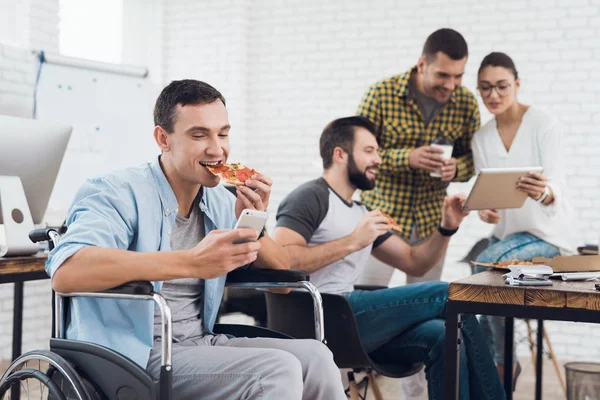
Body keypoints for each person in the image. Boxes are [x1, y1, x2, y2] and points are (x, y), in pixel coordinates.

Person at [46, 79, 346, 400]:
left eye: (223, 133)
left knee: (316, 357)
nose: (217, 149)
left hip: (200, 343)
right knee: (277, 369)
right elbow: (67, 274)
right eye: (199, 135)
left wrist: (253, 222)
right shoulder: (115, 191)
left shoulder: (219, 201)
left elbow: (283, 280)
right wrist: (190, 261)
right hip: (132, 354)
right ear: (164, 138)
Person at [272, 116, 505, 400]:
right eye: (369, 151)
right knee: (451, 295)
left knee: (443, 335)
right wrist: (353, 241)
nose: (379, 159)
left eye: (378, 152)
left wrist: (447, 227)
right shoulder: (311, 196)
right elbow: (281, 262)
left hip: (349, 318)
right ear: (340, 154)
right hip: (321, 317)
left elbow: (414, 261)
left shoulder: (361, 211)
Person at [472, 52, 577, 384]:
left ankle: (500, 364)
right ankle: (496, 365)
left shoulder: (543, 123)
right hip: (509, 240)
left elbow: (556, 186)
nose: (494, 95)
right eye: (485, 88)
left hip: (549, 238)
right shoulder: (481, 138)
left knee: (486, 266)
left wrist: (543, 192)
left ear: (517, 84)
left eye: (502, 86)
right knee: (481, 270)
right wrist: (485, 210)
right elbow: (490, 201)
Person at [356, 28, 480, 284]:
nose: (450, 85)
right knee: (367, 303)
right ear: (422, 64)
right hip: (381, 219)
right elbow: (357, 155)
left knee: (422, 306)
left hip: (432, 224)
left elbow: (473, 159)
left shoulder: (466, 103)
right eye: (443, 75)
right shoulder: (380, 94)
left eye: (458, 76)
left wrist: (456, 168)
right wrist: (407, 158)